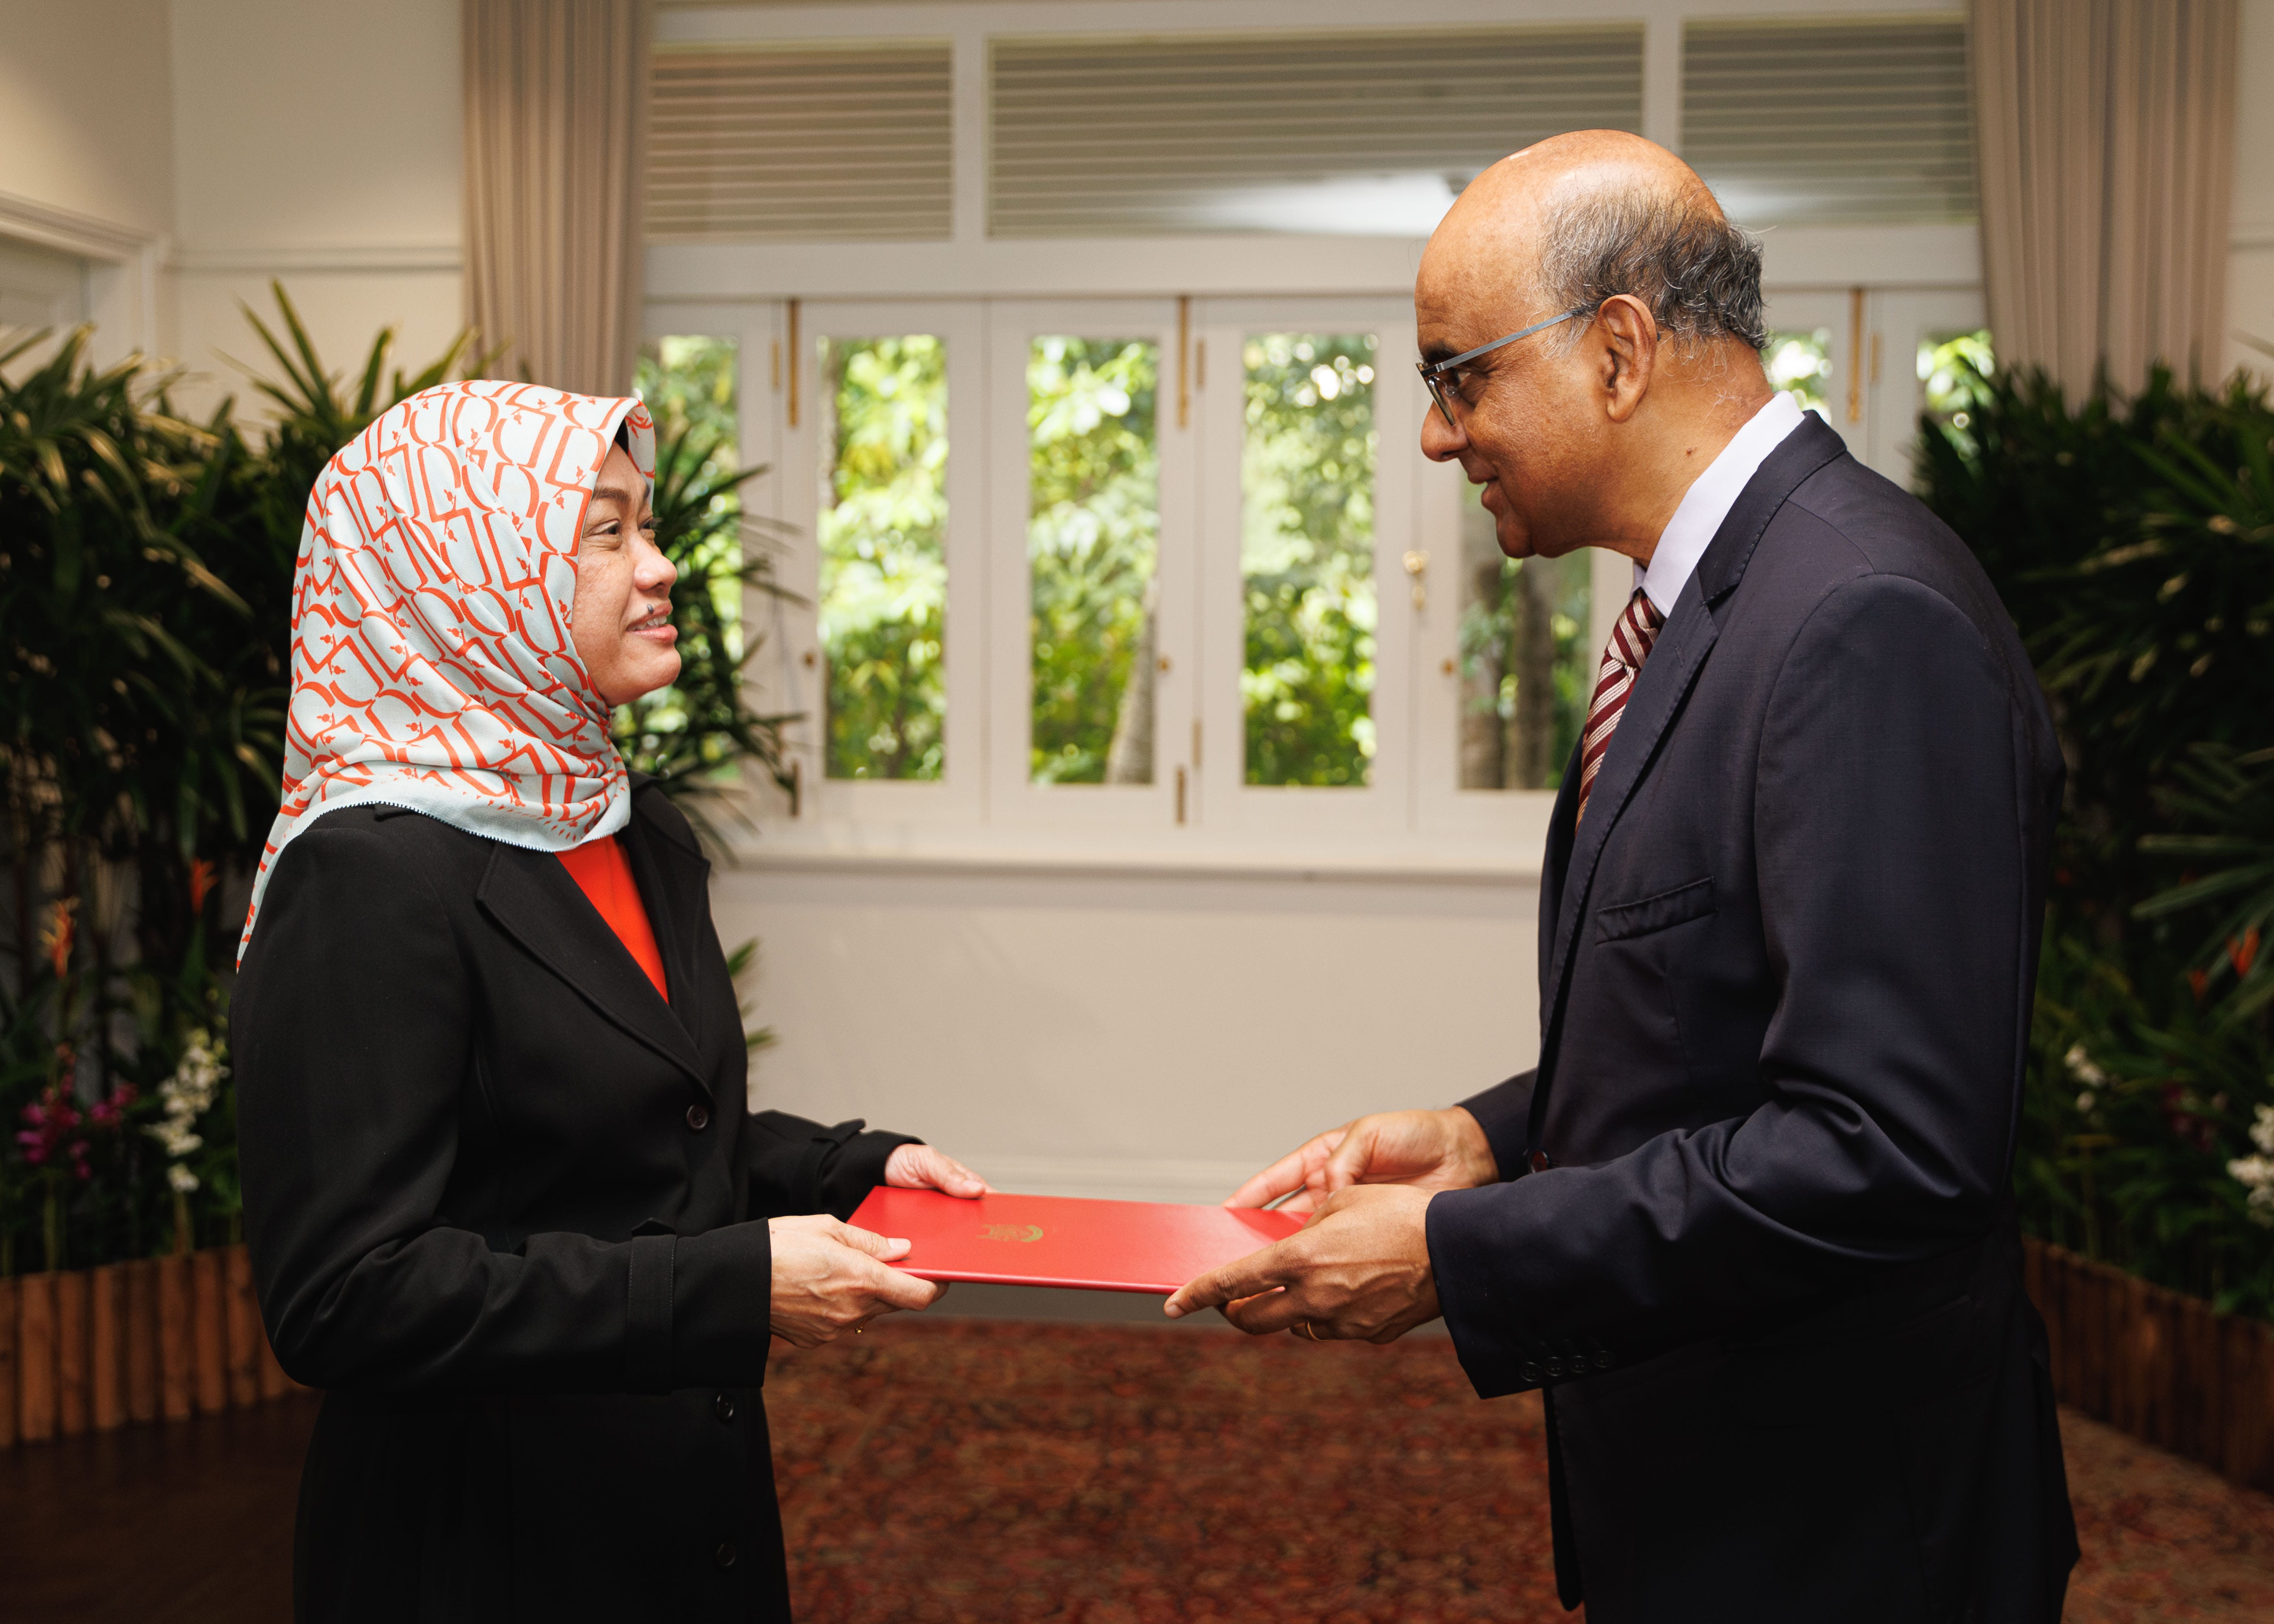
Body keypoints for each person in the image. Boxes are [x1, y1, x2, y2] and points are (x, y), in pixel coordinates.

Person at [1165, 131, 2079, 1622]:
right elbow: (1729, 1025)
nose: (1438, 437)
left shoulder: (1859, 616)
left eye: (1459, 377)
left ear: (1619, 349)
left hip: (1839, 1536)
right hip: (1728, 1497)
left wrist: (1464, 1262)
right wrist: (1487, 1138)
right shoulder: (1721, 599)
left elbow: (1885, 1148)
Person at [233, 380, 985, 1622]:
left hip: (683, 1511)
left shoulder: (632, 827)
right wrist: (726, 1293)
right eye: (606, 532)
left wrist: (850, 1168)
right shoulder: (363, 875)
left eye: (648, 525)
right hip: (485, 1548)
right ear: (465, 573)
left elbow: (643, 1136)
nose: (662, 567)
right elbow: (347, 1297)